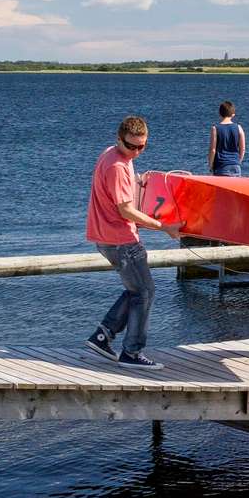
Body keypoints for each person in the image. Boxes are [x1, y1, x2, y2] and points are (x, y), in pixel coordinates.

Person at [84, 115, 182, 369]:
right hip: (121, 239)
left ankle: (103, 336)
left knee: (137, 290)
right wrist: (164, 227)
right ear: (118, 139)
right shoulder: (117, 165)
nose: (136, 151)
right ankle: (132, 352)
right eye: (131, 146)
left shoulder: (113, 155)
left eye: (142, 146)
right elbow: (125, 210)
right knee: (146, 291)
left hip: (106, 237)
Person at [207, 100, 246, 176]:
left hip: (221, 166)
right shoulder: (239, 128)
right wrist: (238, 161)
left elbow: (213, 150)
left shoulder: (215, 128)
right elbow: (243, 149)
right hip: (236, 166)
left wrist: (210, 165)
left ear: (220, 114)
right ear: (233, 114)